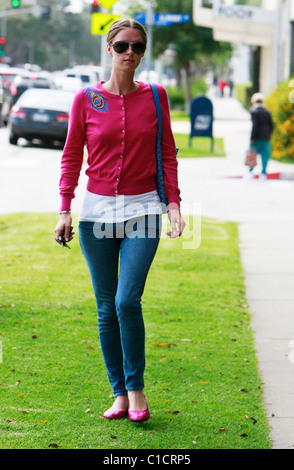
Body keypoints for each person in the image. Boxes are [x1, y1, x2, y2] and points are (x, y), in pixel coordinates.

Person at [54, 18, 185, 422]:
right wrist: (64, 208)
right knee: (106, 307)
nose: (131, 54)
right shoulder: (85, 99)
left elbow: (167, 152)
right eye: (124, 46)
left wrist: (175, 205)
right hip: (96, 216)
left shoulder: (156, 96)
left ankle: (137, 388)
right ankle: (119, 394)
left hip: (143, 210)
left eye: (138, 47)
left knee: (128, 299)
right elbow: (72, 155)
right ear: (109, 49)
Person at [246, 92, 273, 180]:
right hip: (265, 137)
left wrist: (252, 137)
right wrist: (269, 135)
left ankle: (250, 171)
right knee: (265, 155)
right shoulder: (267, 112)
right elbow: (271, 125)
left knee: (252, 154)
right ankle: (263, 173)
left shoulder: (254, 111)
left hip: (257, 137)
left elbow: (255, 126)